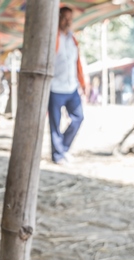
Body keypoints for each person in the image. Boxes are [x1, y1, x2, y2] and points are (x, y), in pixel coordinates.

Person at [48, 6, 86, 165]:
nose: (67, 21)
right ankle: (58, 156)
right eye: (64, 17)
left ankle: (63, 148)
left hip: (71, 87)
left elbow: (77, 63)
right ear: (58, 18)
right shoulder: (52, 37)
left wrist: (82, 83)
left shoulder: (73, 38)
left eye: (70, 18)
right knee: (55, 124)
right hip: (55, 87)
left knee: (78, 117)